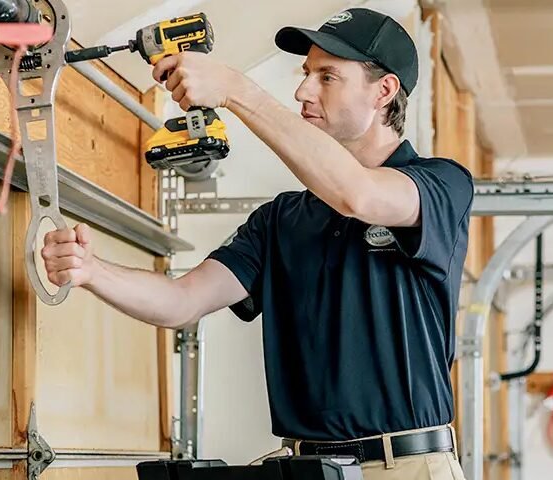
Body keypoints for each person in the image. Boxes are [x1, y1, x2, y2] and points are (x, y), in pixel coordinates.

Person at [41, 8, 472, 480]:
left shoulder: (440, 184)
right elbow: (181, 302)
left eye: (328, 76)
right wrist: (91, 270)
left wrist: (236, 90)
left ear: (384, 91)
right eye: (306, 73)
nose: (303, 91)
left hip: (406, 467)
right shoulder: (280, 220)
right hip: (309, 469)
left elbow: (359, 195)